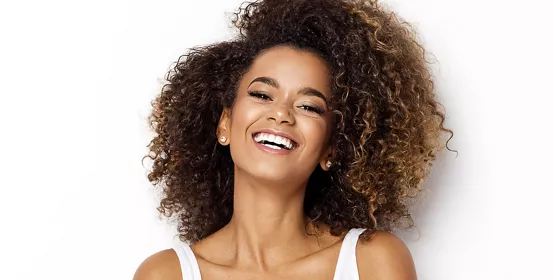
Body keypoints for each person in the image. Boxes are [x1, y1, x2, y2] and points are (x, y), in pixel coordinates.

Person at [134, 0, 452, 279]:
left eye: (308, 106)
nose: (282, 114)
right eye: (262, 94)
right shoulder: (166, 274)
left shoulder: (371, 261)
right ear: (225, 124)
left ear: (331, 148)